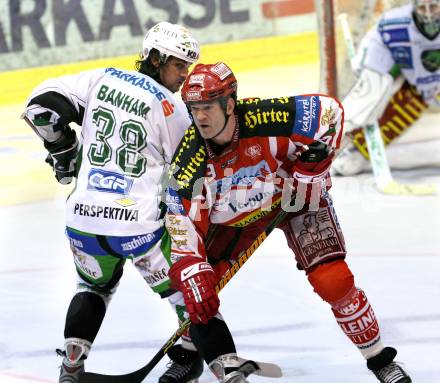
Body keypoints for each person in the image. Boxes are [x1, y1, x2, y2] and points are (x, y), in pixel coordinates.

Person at [163, 61, 412, 382]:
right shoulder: (189, 160)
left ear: (229, 102)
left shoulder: (269, 116)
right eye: (193, 108)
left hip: (296, 199)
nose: (200, 117)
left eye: (208, 106)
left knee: (333, 280)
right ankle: (188, 356)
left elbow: (331, 113)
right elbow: (182, 229)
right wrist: (192, 273)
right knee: (198, 292)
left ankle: (381, 361)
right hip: (234, 220)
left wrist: (312, 170)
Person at [22, 21, 206, 383]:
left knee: (92, 287)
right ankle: (188, 358)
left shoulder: (100, 78)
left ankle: (71, 366)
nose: (184, 74)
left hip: (84, 221)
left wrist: (63, 149)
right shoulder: (173, 109)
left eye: (187, 66)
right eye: (178, 64)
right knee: (189, 287)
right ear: (154, 58)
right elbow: (189, 175)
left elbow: (39, 109)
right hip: (139, 227)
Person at [333, 0, 440, 175]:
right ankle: (352, 150)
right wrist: (369, 76)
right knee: (392, 104)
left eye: (434, 7)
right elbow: (377, 43)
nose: (428, 14)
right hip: (414, 77)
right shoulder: (394, 24)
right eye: (422, 7)